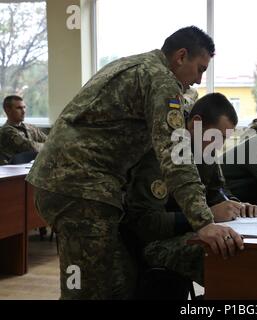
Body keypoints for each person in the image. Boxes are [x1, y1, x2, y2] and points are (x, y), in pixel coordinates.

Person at [25, 26, 243, 300]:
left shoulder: (138, 66)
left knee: (112, 281)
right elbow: (175, 154)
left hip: (68, 182)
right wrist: (203, 222)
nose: (198, 80)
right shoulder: (162, 80)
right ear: (181, 56)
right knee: (89, 290)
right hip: (80, 188)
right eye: (199, 69)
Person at [123, 93, 257, 288]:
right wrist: (208, 215)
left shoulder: (206, 152)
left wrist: (236, 205)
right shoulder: (160, 154)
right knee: (224, 250)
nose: (218, 145)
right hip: (153, 242)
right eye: (217, 136)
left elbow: (218, 191)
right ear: (196, 123)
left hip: (190, 230)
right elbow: (146, 223)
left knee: (246, 244)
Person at [0, 95, 47, 164]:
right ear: (8, 110)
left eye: (24, 107)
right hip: (12, 171)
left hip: (30, 168)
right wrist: (47, 146)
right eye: (19, 108)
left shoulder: (31, 128)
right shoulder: (6, 131)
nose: (23, 111)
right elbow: (31, 148)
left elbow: (50, 141)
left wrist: (48, 145)